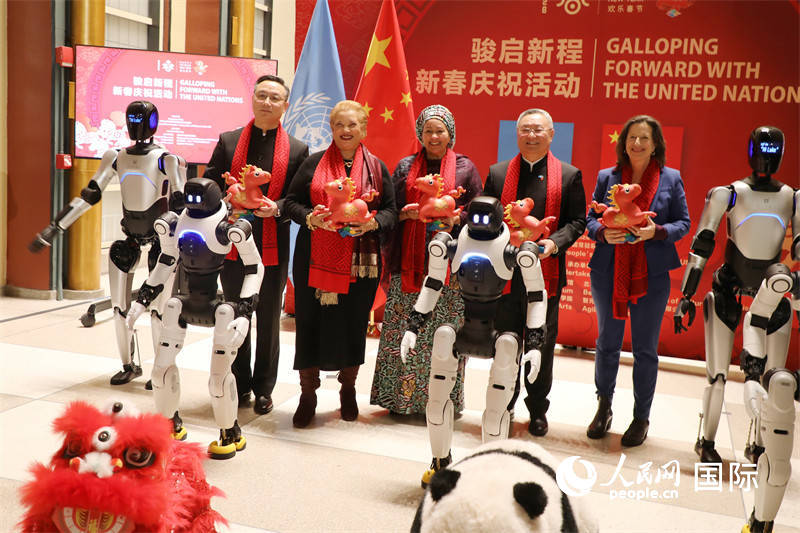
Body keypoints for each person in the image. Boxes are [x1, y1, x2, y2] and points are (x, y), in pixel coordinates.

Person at [283, 100, 397, 428]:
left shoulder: (377, 168)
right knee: (310, 324)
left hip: (360, 263)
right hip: (314, 260)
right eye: (339, 125)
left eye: (352, 124)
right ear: (331, 129)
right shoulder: (313, 163)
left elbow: (391, 211)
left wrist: (371, 223)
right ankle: (308, 394)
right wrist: (311, 218)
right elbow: (290, 203)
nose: (346, 130)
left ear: (364, 129)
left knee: (352, 324)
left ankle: (348, 390)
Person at [203, 74, 309, 416]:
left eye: (274, 98)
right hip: (233, 242)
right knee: (235, 311)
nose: (267, 102)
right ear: (252, 99)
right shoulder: (229, 140)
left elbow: (297, 198)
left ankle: (264, 388)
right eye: (261, 95)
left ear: (285, 106)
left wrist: (275, 207)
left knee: (268, 317)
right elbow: (210, 184)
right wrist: (227, 201)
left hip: (272, 242)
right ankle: (239, 381)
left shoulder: (297, 149)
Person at [370, 105, 482, 415]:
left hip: (450, 267)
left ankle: (442, 400)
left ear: (450, 133)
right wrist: (404, 215)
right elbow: (390, 209)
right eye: (428, 131)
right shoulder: (406, 166)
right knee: (402, 329)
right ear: (420, 133)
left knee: (443, 333)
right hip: (408, 265)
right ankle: (397, 401)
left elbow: (478, 212)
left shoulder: (465, 168)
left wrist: (456, 219)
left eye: (440, 130)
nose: (434, 136)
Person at [585, 115, 690, 446]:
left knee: (645, 349)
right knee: (607, 343)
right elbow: (590, 219)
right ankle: (604, 407)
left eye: (644, 138)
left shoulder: (671, 178)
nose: (637, 144)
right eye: (632, 138)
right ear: (623, 143)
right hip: (609, 270)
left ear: (655, 144)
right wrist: (603, 233)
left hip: (652, 274)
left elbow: (683, 223)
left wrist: (656, 231)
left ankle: (641, 417)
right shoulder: (608, 177)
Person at [483, 108, 586, 437]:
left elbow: (577, 222)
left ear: (551, 135)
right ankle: (505, 402)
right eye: (525, 130)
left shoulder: (569, 175)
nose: (531, 136)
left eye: (538, 130)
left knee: (540, 344)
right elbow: (487, 220)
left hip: (546, 275)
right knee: (506, 341)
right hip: (505, 274)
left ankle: (538, 409)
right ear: (517, 134)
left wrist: (553, 244)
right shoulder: (498, 173)